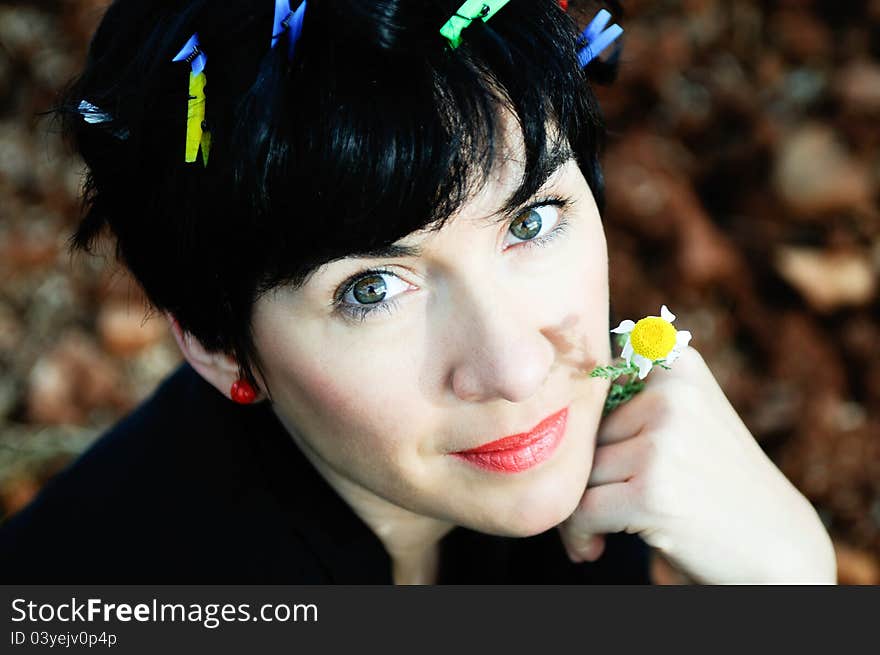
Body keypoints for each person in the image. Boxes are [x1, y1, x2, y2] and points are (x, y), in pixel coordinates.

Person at [0, 0, 836, 584]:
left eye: (533, 221)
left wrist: (794, 578)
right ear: (217, 344)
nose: (513, 367)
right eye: (371, 288)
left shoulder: (598, 459)